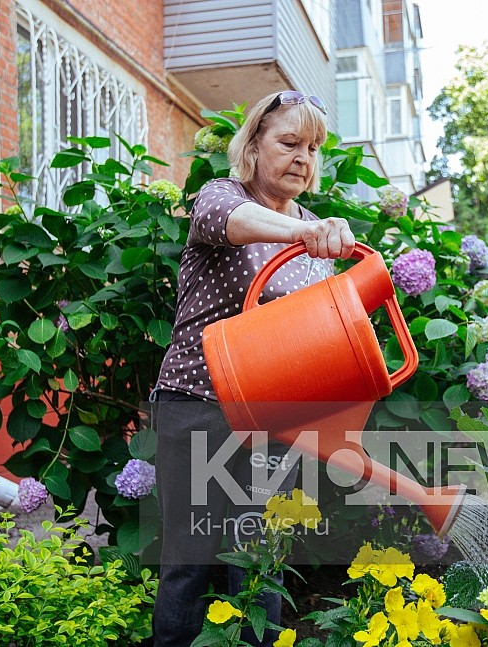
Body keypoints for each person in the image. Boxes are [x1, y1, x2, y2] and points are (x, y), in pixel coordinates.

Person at [151, 91, 355, 647]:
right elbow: (230, 220)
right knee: (188, 564)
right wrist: (303, 235)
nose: (302, 157)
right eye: (289, 142)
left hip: (272, 420)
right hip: (198, 406)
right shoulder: (223, 196)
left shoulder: (318, 228)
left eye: (312, 148)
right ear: (253, 144)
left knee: (260, 564)